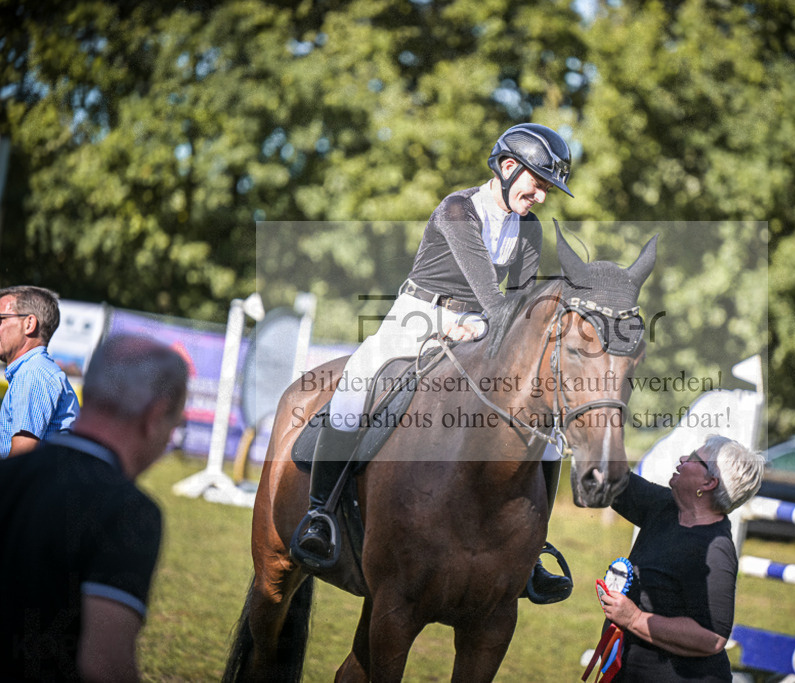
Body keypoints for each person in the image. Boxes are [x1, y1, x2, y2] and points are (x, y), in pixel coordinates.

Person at [296, 122, 575, 602]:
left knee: (548, 432)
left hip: (481, 328)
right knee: (357, 384)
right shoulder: (458, 209)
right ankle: (320, 512)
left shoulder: (528, 227)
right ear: (509, 168)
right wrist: (484, 324)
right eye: (538, 183)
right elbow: (488, 293)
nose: (542, 197)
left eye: (547, 187)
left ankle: (531, 550)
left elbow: (520, 298)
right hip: (418, 317)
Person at [0, 335, 189, 682]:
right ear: (156, 414)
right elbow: (104, 666)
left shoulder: (7, 474)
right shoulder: (128, 511)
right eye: (177, 424)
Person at [599, 435, 765, 682]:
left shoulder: (715, 550)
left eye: (694, 458)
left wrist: (634, 619)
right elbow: (610, 477)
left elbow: (712, 638)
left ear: (709, 482)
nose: (683, 459)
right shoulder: (666, 506)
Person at [0, 285, 80, 458]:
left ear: (29, 324)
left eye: (1, 319)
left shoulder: (33, 373)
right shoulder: (34, 371)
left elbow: (21, 458)